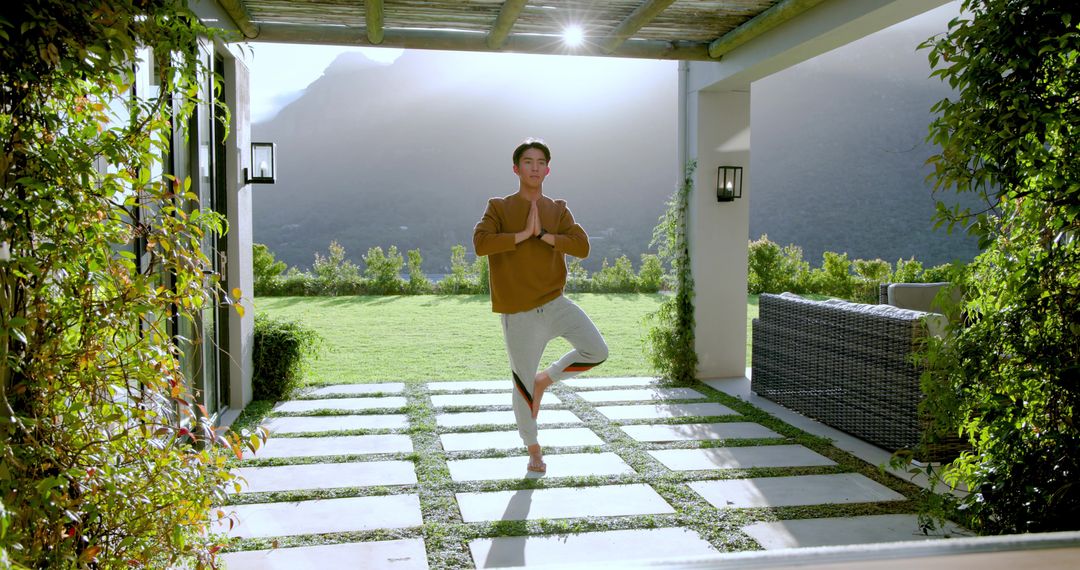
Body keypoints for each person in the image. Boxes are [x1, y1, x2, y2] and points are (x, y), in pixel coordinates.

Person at [473, 138, 608, 473]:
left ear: (548, 169)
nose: (534, 167)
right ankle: (534, 449)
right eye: (528, 162)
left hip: (555, 302)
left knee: (597, 350)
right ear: (516, 168)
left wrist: (544, 235)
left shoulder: (558, 209)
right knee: (522, 386)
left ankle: (545, 379)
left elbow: (582, 247)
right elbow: (481, 243)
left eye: (540, 162)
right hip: (519, 313)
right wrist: (522, 234)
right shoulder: (499, 207)